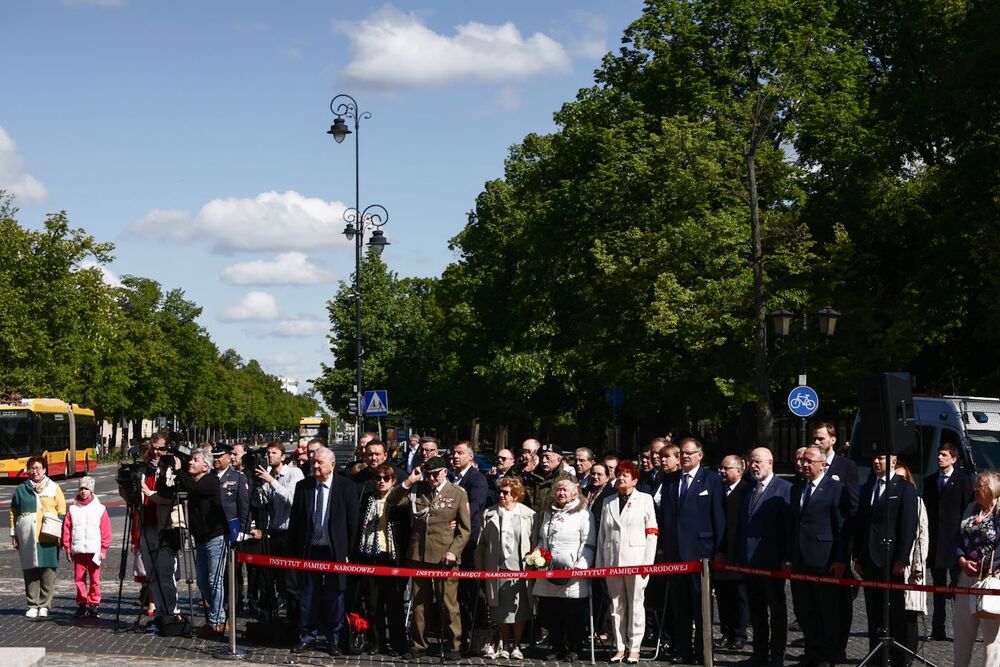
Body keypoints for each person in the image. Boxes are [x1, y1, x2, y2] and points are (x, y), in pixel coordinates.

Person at [390, 456, 471, 660]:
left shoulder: (457, 493)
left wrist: (454, 551)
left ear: (445, 472)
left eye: (436, 473)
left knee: (448, 602)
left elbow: (464, 530)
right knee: (419, 603)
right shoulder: (418, 488)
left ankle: (454, 644)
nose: (432, 478)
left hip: (446, 556)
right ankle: (418, 644)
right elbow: (393, 500)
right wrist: (409, 481)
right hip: (419, 554)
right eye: (429, 474)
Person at [658, 437, 725, 666]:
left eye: (689, 453)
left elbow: (718, 517)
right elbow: (666, 517)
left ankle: (703, 650)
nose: (685, 456)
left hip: (700, 554)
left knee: (701, 606)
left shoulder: (712, 480)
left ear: (700, 455)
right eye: (682, 453)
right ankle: (682, 648)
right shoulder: (670, 480)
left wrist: (719, 550)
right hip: (675, 553)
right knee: (680, 605)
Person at [288, 447, 359, 656]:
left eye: (319, 462)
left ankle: (334, 639)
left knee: (335, 596)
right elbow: (296, 522)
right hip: (310, 550)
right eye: (313, 462)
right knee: (308, 595)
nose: (315, 466)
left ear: (332, 465)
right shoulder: (304, 487)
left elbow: (352, 523)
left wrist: (349, 553)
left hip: (335, 552)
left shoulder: (346, 487)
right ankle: (307, 635)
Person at [853, 453, 918, 667]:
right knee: (873, 610)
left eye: (881, 458)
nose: (876, 462)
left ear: (893, 460)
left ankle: (898, 658)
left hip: (891, 560)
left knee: (895, 612)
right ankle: (876, 656)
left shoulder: (904, 488)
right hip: (870, 558)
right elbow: (863, 523)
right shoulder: (869, 486)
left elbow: (908, 526)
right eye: (874, 458)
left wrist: (902, 558)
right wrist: (859, 556)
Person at [788, 446, 848, 667]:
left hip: (824, 559)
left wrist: (840, 559)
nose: (804, 464)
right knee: (805, 609)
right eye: (802, 460)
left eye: (809, 461)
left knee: (827, 610)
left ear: (822, 464)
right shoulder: (797, 488)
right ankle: (811, 652)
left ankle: (828, 654)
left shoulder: (835, 489)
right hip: (801, 558)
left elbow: (841, 526)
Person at [597, 461, 658, 664]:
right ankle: (620, 646)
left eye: (626, 475)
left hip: (636, 559)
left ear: (635, 479)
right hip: (612, 560)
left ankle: (635, 647)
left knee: (636, 604)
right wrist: (600, 565)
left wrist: (647, 563)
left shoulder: (645, 499)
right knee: (616, 606)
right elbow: (602, 536)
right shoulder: (609, 501)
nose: (621, 478)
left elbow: (652, 532)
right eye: (619, 474)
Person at [735, 447, 791, 667]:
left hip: (772, 561)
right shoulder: (749, 489)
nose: (754, 465)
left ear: (770, 462)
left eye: (758, 461)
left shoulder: (785, 488)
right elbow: (743, 525)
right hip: (750, 562)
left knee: (776, 609)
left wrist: (786, 558)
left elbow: (788, 528)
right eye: (751, 461)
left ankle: (777, 653)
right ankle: (759, 652)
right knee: (756, 610)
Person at [166, 450, 230, 638]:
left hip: (216, 537)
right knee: (202, 582)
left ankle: (217, 621)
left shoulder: (209, 481)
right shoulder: (193, 482)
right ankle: (218, 616)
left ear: (206, 466)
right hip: (201, 539)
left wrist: (179, 471)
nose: (191, 462)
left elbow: (194, 489)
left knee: (214, 581)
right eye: (191, 459)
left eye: (196, 460)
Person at [533, 479, 596, 662]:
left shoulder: (584, 514)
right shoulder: (548, 513)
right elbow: (541, 538)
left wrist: (581, 568)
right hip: (549, 571)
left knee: (573, 613)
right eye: (558, 489)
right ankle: (556, 645)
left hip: (573, 572)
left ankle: (574, 648)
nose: (561, 493)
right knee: (552, 610)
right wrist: (538, 556)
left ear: (574, 493)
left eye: (565, 490)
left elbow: (588, 543)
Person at [476, 477, 536, 660]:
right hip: (496, 568)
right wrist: (480, 571)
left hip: (520, 570)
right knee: (499, 609)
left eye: (506, 492)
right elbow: (481, 545)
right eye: (500, 492)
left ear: (516, 495)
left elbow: (534, 543)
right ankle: (505, 643)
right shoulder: (490, 513)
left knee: (519, 610)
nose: (501, 495)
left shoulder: (529, 514)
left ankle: (517, 645)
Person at [814, 422, 859, 660]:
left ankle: (837, 645)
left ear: (832, 440)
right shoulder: (809, 461)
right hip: (816, 542)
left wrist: (848, 546)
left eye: (821, 438)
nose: (817, 442)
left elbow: (852, 505)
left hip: (838, 539)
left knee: (838, 600)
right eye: (815, 438)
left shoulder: (845, 466)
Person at [355, 463, 409, 656]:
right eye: (378, 478)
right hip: (370, 555)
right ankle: (376, 642)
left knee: (394, 604)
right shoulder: (368, 498)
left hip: (392, 558)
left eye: (386, 478)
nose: (382, 482)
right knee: (372, 604)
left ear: (393, 481)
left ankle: (397, 643)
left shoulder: (400, 500)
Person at [922, 441, 974, 640]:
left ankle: (962, 629)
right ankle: (938, 628)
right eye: (938, 454)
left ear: (953, 459)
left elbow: (968, 510)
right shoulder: (930, 481)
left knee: (958, 588)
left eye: (944, 455)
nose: (939, 458)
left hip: (955, 543)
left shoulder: (962, 480)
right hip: (936, 543)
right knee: (938, 589)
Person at [252, 441, 305, 619]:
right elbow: (263, 502)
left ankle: (294, 619)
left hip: (289, 534)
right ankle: (269, 614)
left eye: (274, 453)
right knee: (271, 577)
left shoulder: (293, 473)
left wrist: (272, 481)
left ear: (283, 456)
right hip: (273, 532)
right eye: (268, 453)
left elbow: (293, 499)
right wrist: (261, 483)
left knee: (290, 581)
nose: (270, 456)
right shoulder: (269, 475)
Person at [953, 471, 1000, 666]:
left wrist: (985, 563)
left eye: (980, 485)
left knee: (992, 639)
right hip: (967, 576)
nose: (975, 488)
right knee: (962, 632)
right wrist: (962, 560)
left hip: (991, 577)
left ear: (991, 488)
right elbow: (958, 537)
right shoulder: (971, 509)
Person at [10, 456, 66, 619]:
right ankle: (32, 604)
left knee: (48, 572)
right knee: (30, 570)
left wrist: (59, 532)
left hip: (48, 536)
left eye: (37, 468)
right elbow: (13, 511)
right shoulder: (21, 489)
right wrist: (13, 533)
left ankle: (45, 604)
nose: (34, 471)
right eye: (31, 468)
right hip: (27, 536)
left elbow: (62, 511)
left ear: (45, 470)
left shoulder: (54, 488)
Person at [449, 440, 493, 649]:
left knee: (471, 591)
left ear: (470, 456)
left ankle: (475, 632)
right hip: (449, 540)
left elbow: (474, 507)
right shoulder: (450, 476)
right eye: (454, 453)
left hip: (469, 542)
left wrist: (458, 518)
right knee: (454, 592)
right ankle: (457, 631)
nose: (455, 456)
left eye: (460, 453)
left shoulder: (477, 479)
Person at [714, 454, 751, 651]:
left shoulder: (746, 491)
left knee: (739, 595)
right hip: (719, 551)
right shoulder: (719, 489)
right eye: (721, 467)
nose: (722, 471)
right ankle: (726, 631)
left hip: (737, 552)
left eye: (726, 468)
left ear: (739, 470)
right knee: (723, 595)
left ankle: (739, 634)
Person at [62, 476, 112, 618]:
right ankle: (83, 603)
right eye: (81, 488)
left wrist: (104, 549)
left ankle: (94, 604)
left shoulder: (100, 509)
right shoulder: (72, 509)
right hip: (79, 550)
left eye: (86, 489)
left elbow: (106, 530)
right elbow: (67, 529)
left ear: (91, 491)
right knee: (79, 579)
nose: (83, 491)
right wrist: (67, 548)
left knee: (95, 580)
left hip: (94, 551)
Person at [895, 463, 929, 658]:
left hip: (910, 565)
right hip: (895, 566)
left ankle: (908, 654)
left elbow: (922, 537)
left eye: (902, 478)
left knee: (909, 614)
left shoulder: (916, 501)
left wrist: (917, 566)